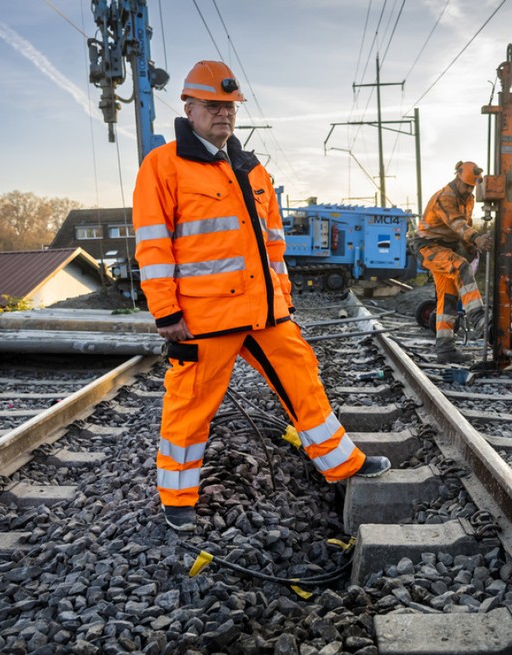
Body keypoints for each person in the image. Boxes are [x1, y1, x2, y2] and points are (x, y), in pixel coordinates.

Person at [132, 60, 390, 532]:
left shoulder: (251, 168)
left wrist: (283, 299)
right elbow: (153, 244)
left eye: (229, 107)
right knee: (190, 405)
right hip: (204, 316)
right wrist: (165, 310)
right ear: (188, 107)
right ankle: (176, 498)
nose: (223, 114)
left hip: (265, 311)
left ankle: (342, 464)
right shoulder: (162, 166)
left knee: (303, 382)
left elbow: (273, 245)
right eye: (213, 105)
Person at [415, 161, 492, 363]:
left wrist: (470, 246)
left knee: (448, 298)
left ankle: (445, 350)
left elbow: (464, 225)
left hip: (445, 248)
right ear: (458, 177)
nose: (469, 190)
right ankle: (478, 318)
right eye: (466, 185)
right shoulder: (446, 197)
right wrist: (476, 238)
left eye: (472, 187)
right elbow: (457, 224)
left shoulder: (468, 199)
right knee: (460, 266)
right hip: (428, 247)